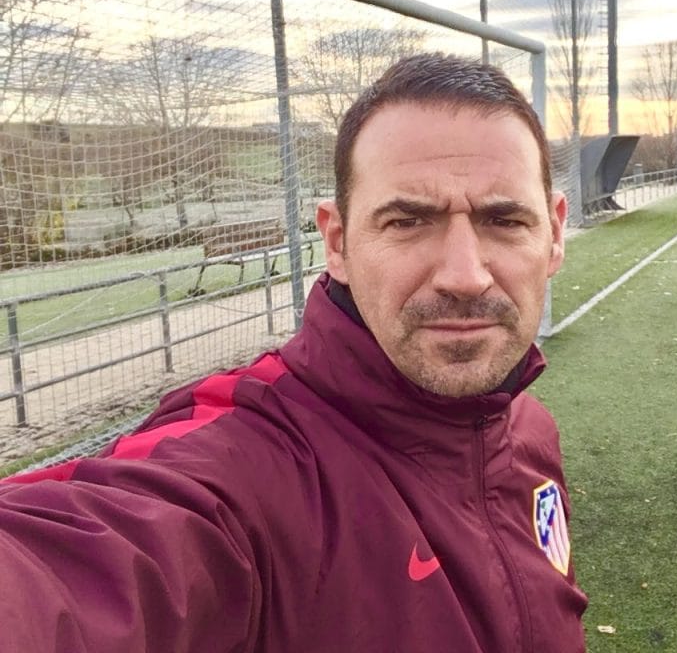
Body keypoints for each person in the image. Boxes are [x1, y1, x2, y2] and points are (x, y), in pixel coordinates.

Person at [0, 53, 588, 651]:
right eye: (407, 221)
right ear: (337, 243)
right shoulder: (248, 466)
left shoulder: (526, 429)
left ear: (554, 234)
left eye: (505, 220)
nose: (464, 276)